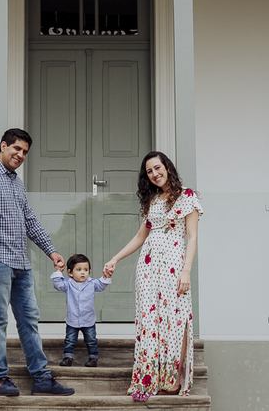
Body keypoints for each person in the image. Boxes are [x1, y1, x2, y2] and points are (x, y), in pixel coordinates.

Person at [0, 128, 75, 397]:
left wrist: (51, 251)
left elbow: (29, 220)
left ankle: (40, 378)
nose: (21, 155)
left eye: (25, 152)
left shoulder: (16, 182)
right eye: (17, 149)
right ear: (3, 146)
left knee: (29, 319)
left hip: (21, 262)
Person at [103, 151, 202, 402]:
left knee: (175, 320)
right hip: (148, 269)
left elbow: (192, 237)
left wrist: (186, 271)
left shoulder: (187, 196)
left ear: (167, 167)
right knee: (150, 322)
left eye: (158, 168)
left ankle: (172, 381)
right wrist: (115, 258)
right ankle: (150, 378)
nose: (155, 174)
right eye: (149, 171)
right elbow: (140, 237)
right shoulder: (152, 200)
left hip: (174, 266)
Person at [51, 254, 111, 367]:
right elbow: (58, 285)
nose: (83, 272)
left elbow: (102, 286)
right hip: (72, 320)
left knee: (91, 340)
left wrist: (106, 276)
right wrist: (58, 271)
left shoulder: (92, 283)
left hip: (88, 320)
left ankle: (93, 358)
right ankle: (68, 357)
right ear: (70, 272)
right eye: (78, 270)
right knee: (70, 340)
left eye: (86, 269)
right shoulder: (68, 284)